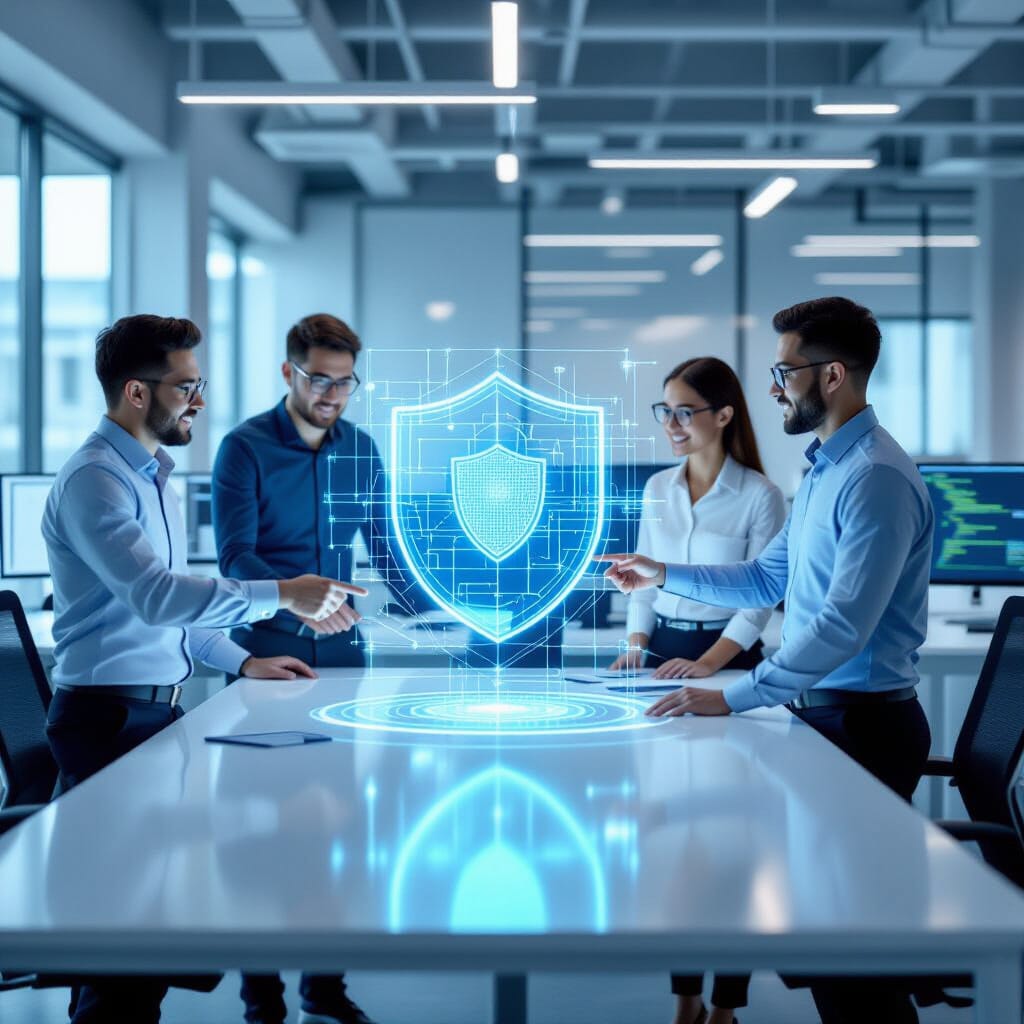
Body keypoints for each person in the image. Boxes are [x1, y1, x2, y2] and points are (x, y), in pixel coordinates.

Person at [598, 297, 934, 1024]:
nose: (775, 387)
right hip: (828, 719)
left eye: (785, 371)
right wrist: (664, 573)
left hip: (864, 729)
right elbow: (761, 579)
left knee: (849, 962)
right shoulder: (825, 469)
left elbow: (843, 626)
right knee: (833, 953)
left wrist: (738, 693)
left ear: (833, 374)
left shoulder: (874, 476)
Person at [42, 314, 366, 1024]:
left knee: (146, 936)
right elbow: (157, 597)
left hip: (150, 712)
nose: (199, 400)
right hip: (107, 720)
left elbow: (179, 616)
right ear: (136, 391)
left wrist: (247, 659)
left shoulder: (148, 474)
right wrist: (285, 593)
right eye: (187, 386)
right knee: (119, 943)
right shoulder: (95, 482)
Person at [212, 312, 421, 1024]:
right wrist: (298, 603)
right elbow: (235, 559)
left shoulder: (361, 449)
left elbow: (389, 551)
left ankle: (323, 989)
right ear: (289, 373)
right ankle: (261, 997)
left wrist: (460, 607)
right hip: (265, 656)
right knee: (266, 830)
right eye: (319, 380)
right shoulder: (242, 448)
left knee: (339, 828)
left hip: (341, 662)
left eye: (345, 382)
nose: (333, 395)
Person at [609, 356, 784, 1024]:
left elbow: (760, 600)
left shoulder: (760, 496)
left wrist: (711, 662)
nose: (673, 424)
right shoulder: (657, 489)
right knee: (670, 827)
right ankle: (685, 999)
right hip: (665, 653)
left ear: (724, 415)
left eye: (686, 410)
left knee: (729, 832)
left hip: (731, 659)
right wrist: (633, 646)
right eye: (666, 411)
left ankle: (726, 1005)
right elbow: (643, 582)